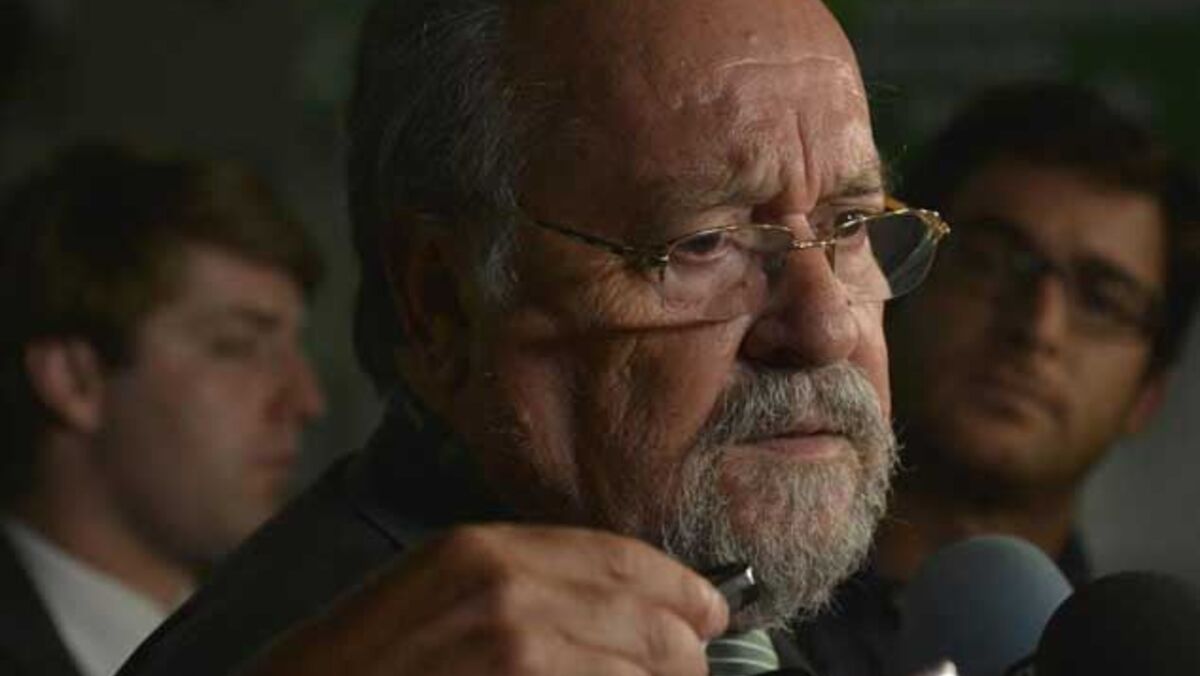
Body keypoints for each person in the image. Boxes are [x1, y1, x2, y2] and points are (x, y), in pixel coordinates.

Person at [116, 1, 949, 675]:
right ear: (444, 301)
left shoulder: (733, 607)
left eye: (849, 225)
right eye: (704, 244)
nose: (824, 327)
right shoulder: (306, 650)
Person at [798, 82, 1200, 676]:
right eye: (992, 262)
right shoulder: (723, 629)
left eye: (1101, 300)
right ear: (896, 282)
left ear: (1149, 394)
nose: (1037, 328)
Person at [0, 143, 327, 676]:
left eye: (296, 348)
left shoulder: (305, 633)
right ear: (74, 381)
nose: (307, 400)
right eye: (237, 346)